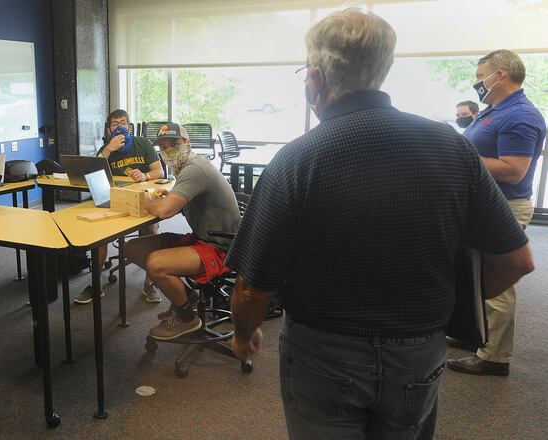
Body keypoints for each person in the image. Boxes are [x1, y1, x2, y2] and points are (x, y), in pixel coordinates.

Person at [224, 9, 534, 440]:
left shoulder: (296, 160)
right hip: (420, 351)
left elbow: (252, 288)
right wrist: (446, 303)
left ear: (314, 79)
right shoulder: (452, 147)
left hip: (322, 352)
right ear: (381, 70)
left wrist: (243, 336)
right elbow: (517, 260)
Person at [447, 50, 547, 376]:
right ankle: (477, 335)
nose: (478, 83)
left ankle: (494, 357)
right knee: (473, 274)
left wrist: (460, 157)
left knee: (496, 280)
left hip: (504, 206)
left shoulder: (520, 115)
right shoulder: (495, 110)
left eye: (481, 77)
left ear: (499, 75)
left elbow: (514, 170)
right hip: (484, 204)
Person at [125, 123, 240, 340]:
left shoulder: (194, 169)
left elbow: (165, 211)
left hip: (221, 247)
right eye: (163, 147)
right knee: (133, 248)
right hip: (204, 238)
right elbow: (175, 202)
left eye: (174, 144)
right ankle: (186, 298)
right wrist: (167, 196)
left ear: (187, 143)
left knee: (156, 264)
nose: (168, 151)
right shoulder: (189, 168)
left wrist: (149, 199)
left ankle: (187, 318)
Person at [73, 109, 165, 304]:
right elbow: (91, 172)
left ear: (130, 127)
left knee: (151, 228)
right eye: (116, 124)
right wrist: (109, 149)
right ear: (109, 129)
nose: (120, 127)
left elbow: (159, 171)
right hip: (113, 199)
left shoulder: (143, 144)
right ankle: (95, 285)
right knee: (98, 234)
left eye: (124, 123)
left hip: (141, 197)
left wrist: (145, 176)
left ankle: (149, 283)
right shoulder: (106, 149)